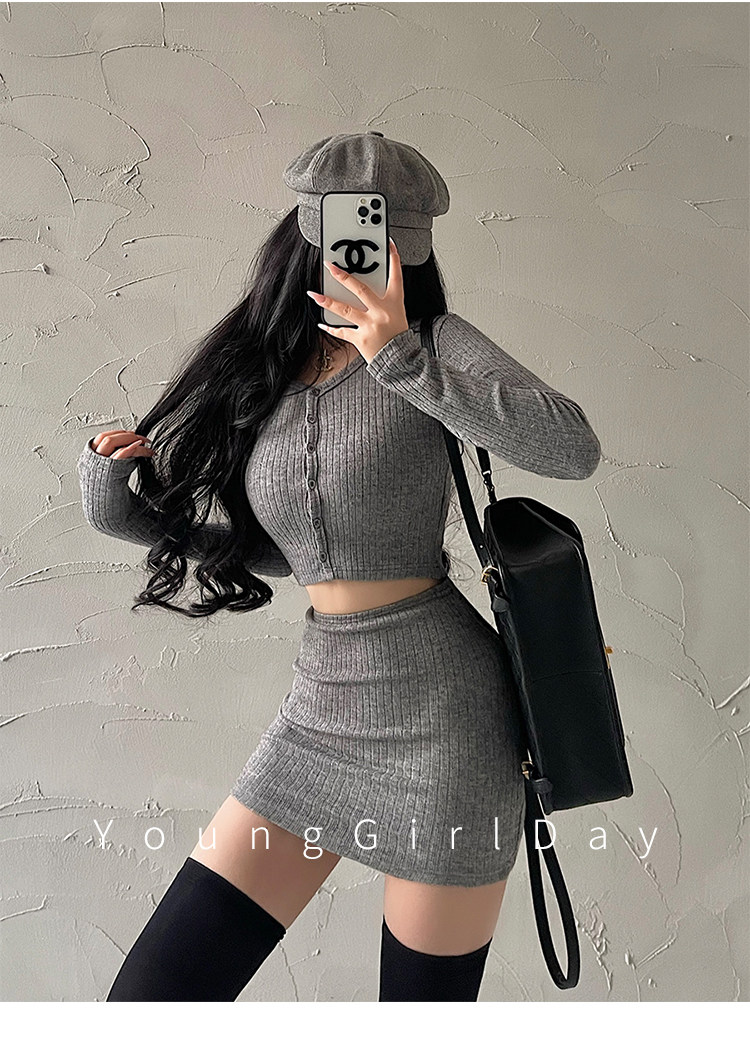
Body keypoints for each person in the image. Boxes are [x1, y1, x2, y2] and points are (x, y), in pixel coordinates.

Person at [77, 132, 602, 1002]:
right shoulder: (269, 371)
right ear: (307, 235)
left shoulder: (433, 345)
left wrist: (400, 358)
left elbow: (572, 447)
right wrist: (123, 511)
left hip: (447, 727)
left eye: (388, 240)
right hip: (319, 714)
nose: (367, 255)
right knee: (152, 1000)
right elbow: (286, 555)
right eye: (353, 234)